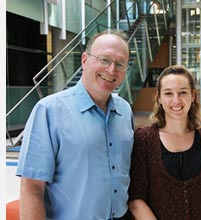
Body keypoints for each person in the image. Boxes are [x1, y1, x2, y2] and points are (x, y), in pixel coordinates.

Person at [16, 29, 135, 220]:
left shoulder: (124, 111)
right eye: (104, 60)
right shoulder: (49, 110)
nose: (112, 70)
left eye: (120, 64)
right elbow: (32, 187)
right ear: (85, 60)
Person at [128, 65, 201, 220]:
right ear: (159, 98)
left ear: (193, 96)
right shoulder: (144, 138)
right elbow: (135, 198)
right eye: (168, 93)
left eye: (183, 92)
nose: (176, 100)